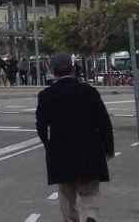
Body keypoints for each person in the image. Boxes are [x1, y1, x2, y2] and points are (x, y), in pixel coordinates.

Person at [35, 53, 114, 222]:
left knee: (66, 195)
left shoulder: (46, 96)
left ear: (53, 71)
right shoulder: (89, 92)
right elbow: (104, 123)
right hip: (91, 153)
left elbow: (41, 127)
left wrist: (49, 147)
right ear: (73, 69)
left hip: (62, 155)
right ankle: (89, 216)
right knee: (90, 192)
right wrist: (108, 149)